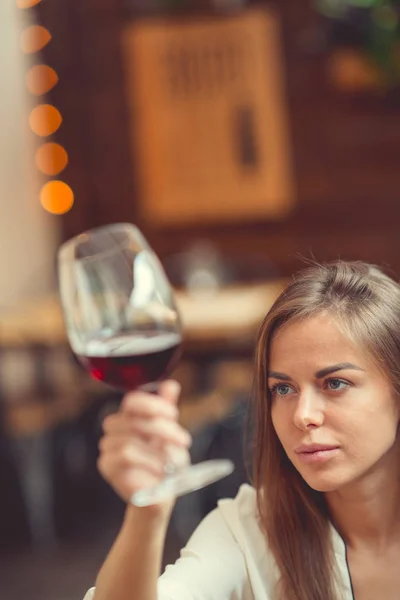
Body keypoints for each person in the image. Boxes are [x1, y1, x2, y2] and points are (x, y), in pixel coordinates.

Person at [83, 259, 400, 600]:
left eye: (335, 383)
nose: (302, 416)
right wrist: (146, 512)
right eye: (283, 389)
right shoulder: (247, 532)